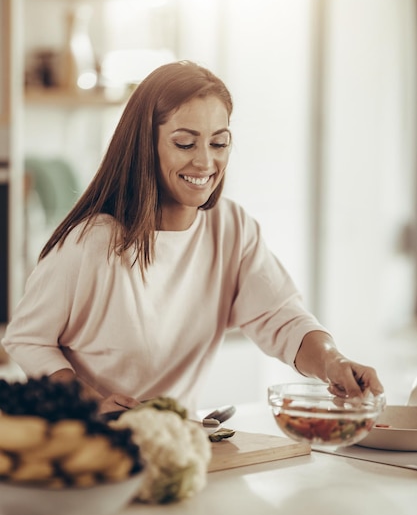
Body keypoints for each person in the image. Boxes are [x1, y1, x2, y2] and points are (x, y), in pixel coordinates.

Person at [1, 61, 384, 415]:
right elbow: (27, 339)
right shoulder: (92, 242)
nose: (205, 162)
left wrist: (333, 361)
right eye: (185, 143)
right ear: (144, 145)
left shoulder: (231, 227)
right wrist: (90, 401)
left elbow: (280, 317)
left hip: (172, 441)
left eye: (218, 143)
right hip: (88, 440)